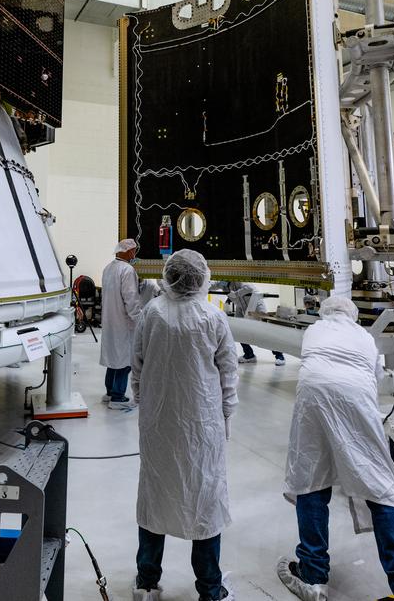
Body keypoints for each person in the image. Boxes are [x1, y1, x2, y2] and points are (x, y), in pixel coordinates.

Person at [278, 293, 394, 601]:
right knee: (381, 487)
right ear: (353, 315)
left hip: (313, 399)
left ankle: (313, 576)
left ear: (325, 312)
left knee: (311, 481)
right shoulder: (364, 336)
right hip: (357, 399)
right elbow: (374, 378)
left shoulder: (315, 330)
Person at [132, 250, 238, 601]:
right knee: (204, 499)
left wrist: (142, 402)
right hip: (202, 424)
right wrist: (227, 411)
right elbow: (227, 371)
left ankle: (146, 582)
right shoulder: (212, 317)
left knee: (155, 499)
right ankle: (209, 588)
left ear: (170, 275)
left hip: (158, 423)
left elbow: (138, 364)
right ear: (201, 277)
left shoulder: (152, 313)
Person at [101, 238, 144, 410]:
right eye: (133, 250)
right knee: (124, 360)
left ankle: (110, 392)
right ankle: (118, 397)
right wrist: (140, 320)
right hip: (123, 322)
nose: (134, 254)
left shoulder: (108, 268)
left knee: (113, 358)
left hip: (110, 320)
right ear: (127, 251)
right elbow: (131, 299)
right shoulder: (127, 270)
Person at [228, 281, 285, 366]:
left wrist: (236, 294)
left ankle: (279, 356)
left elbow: (249, 288)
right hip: (243, 309)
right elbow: (213, 284)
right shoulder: (225, 284)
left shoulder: (241, 281)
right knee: (239, 332)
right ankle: (249, 355)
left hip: (256, 307)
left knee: (265, 334)